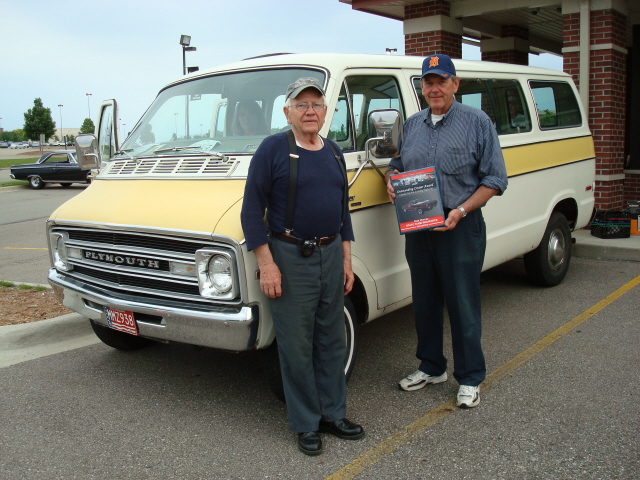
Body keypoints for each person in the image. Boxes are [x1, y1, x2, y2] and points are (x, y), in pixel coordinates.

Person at [241, 77, 364, 455]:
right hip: (290, 257)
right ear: (287, 112)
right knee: (296, 345)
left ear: (326, 112)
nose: (310, 111)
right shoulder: (273, 150)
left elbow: (343, 212)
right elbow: (251, 213)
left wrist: (346, 260)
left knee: (331, 340)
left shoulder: (334, 153)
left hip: (330, 256)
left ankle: (333, 414)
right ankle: (306, 423)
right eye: (301, 105)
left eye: (316, 105)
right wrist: (268, 264)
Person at [385, 54, 508, 408]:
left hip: (460, 227)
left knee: (462, 303)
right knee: (423, 301)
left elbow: (496, 179)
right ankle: (431, 365)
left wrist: (462, 209)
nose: (434, 88)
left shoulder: (477, 122)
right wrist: (392, 183)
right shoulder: (411, 125)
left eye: (441, 80)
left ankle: (470, 377)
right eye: (428, 82)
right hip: (419, 230)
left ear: (456, 83)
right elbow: (396, 166)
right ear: (421, 86)